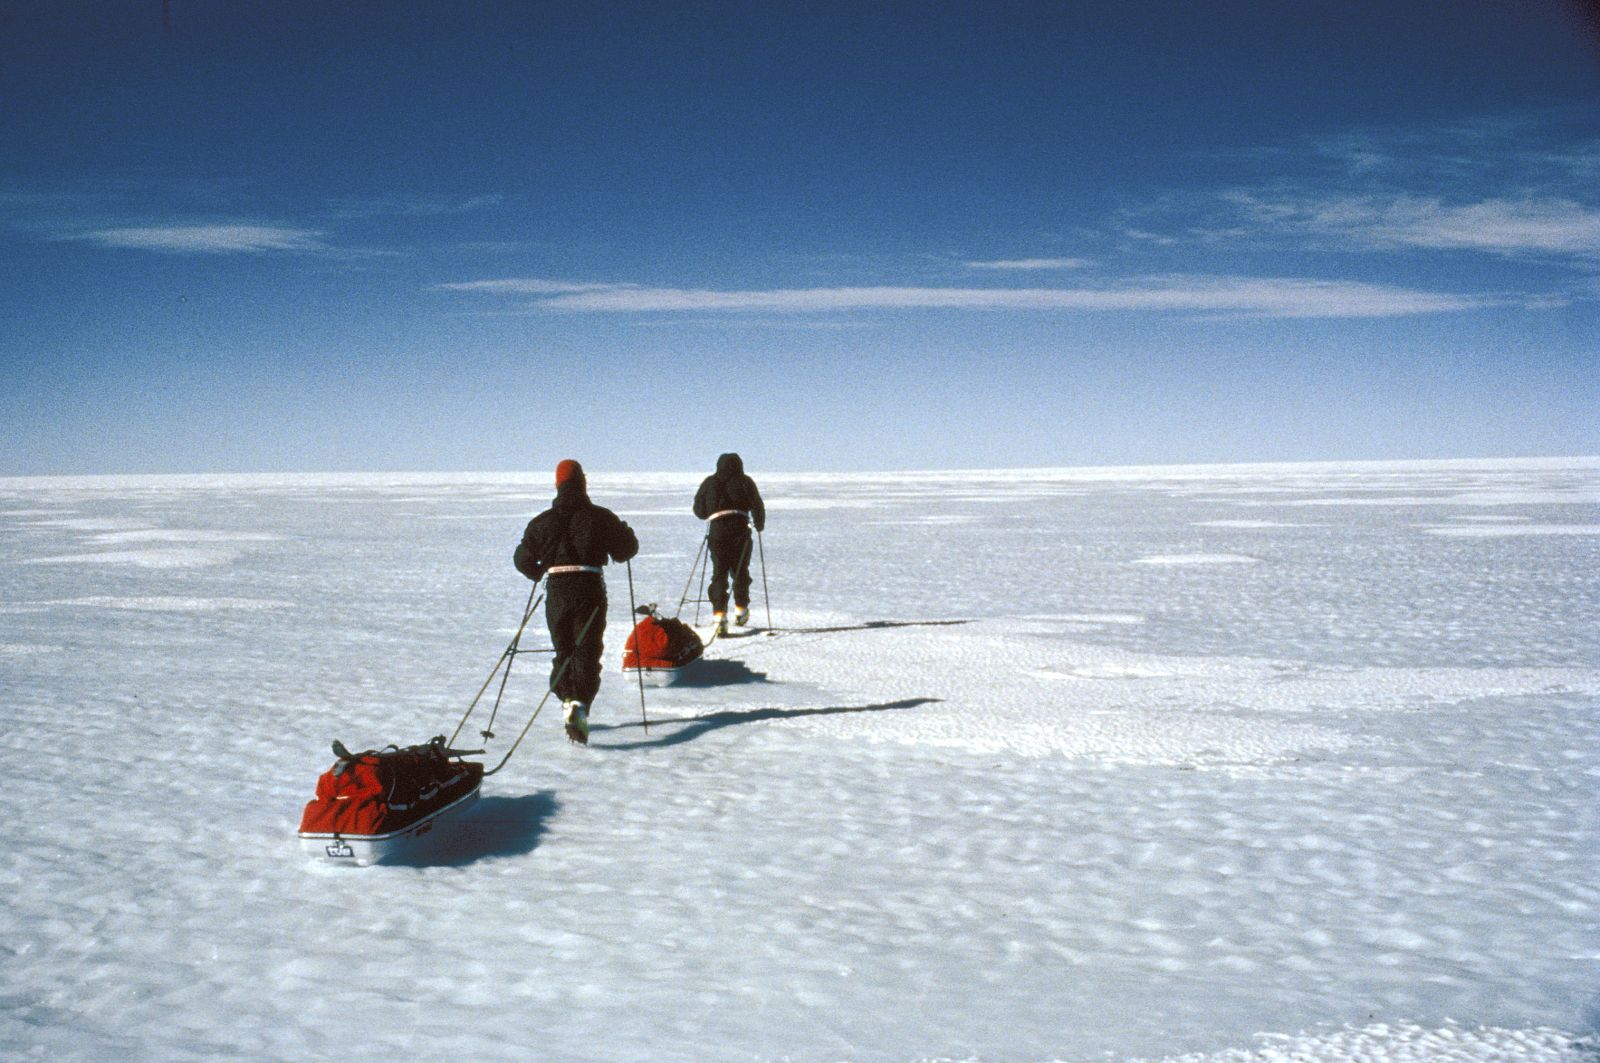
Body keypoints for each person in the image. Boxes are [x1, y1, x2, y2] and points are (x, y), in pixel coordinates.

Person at [514, 459, 639, 745]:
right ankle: (579, 703)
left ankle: (566, 698)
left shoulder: (541, 521)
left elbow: (521, 559)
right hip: (589, 586)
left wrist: (538, 572)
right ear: (583, 482)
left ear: (557, 484)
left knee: (564, 648)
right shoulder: (600, 516)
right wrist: (627, 534)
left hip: (556, 589)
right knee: (587, 649)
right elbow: (626, 550)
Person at [692, 452, 765, 635]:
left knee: (719, 573)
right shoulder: (745, 481)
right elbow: (757, 505)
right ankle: (741, 610)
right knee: (740, 570)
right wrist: (759, 524)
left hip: (717, 531)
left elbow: (699, 510)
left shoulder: (709, 482)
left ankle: (719, 616)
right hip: (740, 530)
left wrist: (712, 512)